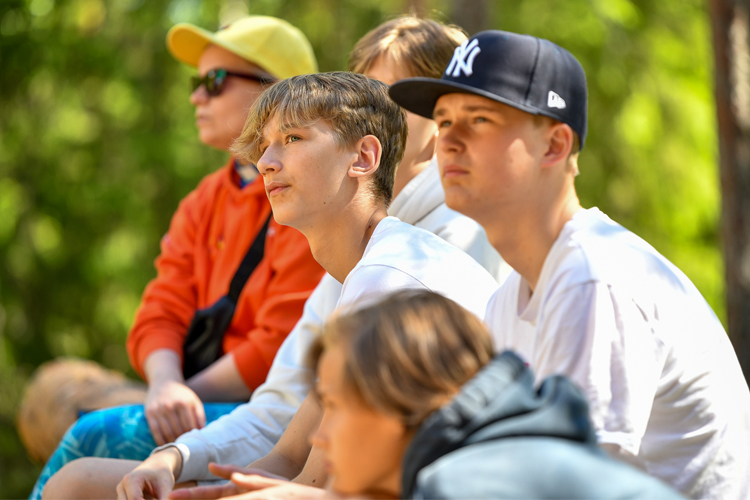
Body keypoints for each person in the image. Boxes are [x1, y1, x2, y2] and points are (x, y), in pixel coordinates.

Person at [42, 18, 509, 500]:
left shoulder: (390, 278)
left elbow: (315, 481)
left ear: (364, 157)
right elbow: (285, 448)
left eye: (292, 139)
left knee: (83, 469)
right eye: (264, 145)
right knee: (77, 482)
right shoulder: (355, 267)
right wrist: (176, 460)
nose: (265, 162)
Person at [388, 30, 750, 499]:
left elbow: (571, 488)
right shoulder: (514, 293)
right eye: (442, 120)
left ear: (555, 146)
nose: (448, 141)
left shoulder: (594, 278)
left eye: (478, 119)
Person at [32, 16, 325, 500]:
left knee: (88, 438)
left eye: (213, 82)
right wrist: (167, 385)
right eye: (196, 84)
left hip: (274, 412)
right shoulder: (204, 199)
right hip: (203, 398)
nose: (196, 97)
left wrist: (183, 392)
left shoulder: (308, 197)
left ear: (276, 92)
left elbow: (279, 341)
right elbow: (160, 309)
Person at [307, 290, 685, 499]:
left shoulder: (462, 486)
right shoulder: (509, 458)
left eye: (335, 405)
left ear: (395, 398)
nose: (318, 437)